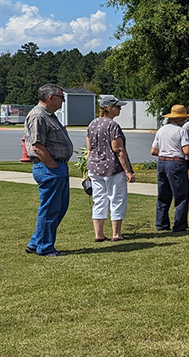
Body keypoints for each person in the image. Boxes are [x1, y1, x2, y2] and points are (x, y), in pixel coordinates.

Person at [24, 84, 74, 256]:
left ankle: (35, 243)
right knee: (50, 209)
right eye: (61, 97)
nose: (63, 100)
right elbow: (37, 146)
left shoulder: (49, 115)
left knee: (59, 207)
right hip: (49, 167)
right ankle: (45, 248)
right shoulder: (38, 116)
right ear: (50, 98)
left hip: (57, 167)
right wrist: (53, 166)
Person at [86, 95, 135, 242]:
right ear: (108, 108)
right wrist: (128, 171)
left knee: (99, 200)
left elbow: (89, 148)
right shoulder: (112, 125)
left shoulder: (92, 124)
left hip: (94, 167)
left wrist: (88, 167)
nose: (119, 109)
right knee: (117, 199)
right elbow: (118, 149)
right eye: (117, 106)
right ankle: (116, 234)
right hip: (112, 168)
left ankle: (99, 234)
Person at [152, 105, 189, 232]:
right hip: (176, 163)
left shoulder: (161, 130)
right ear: (181, 120)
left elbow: (154, 150)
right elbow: (186, 150)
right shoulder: (181, 131)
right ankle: (179, 225)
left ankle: (161, 224)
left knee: (163, 195)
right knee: (181, 195)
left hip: (162, 162)